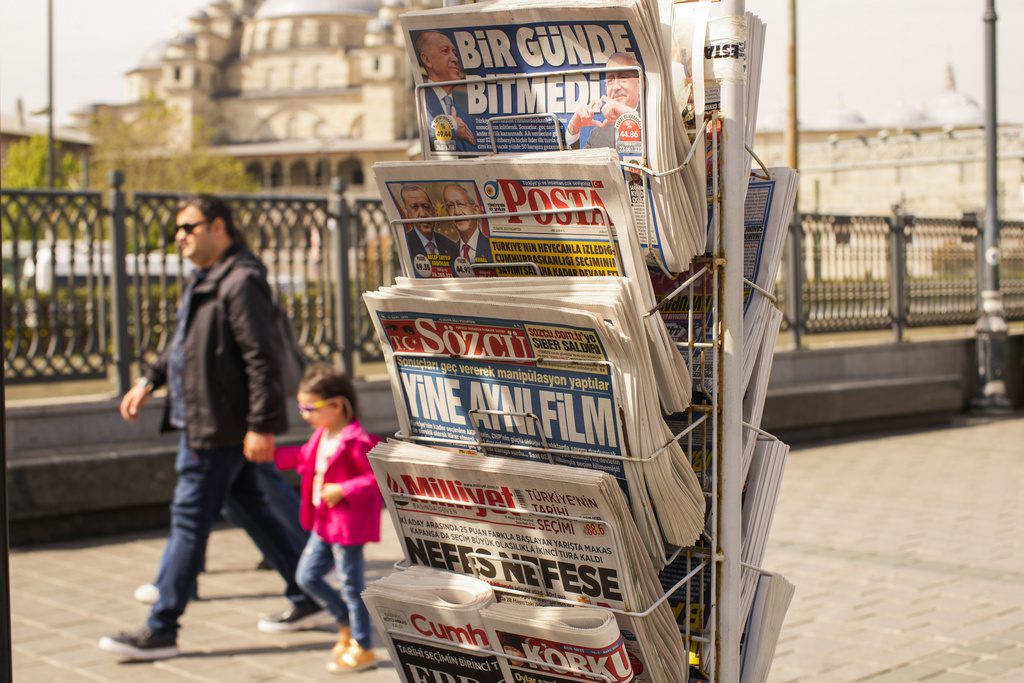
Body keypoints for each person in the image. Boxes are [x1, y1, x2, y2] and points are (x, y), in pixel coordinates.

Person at [99, 195, 323, 661]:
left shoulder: (241, 281)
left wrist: (261, 425)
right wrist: (149, 379)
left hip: (218, 426)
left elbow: (262, 360)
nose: (179, 236)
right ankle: (308, 594)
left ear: (218, 226)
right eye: (177, 229)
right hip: (205, 421)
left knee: (188, 519)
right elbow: (182, 343)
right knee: (253, 511)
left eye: (188, 227)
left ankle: (161, 628)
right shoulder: (205, 278)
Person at [275, 364, 383, 674]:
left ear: (337, 405)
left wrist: (344, 489)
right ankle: (346, 624)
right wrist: (273, 455)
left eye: (311, 407)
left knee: (351, 585)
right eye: (301, 407)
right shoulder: (322, 435)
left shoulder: (357, 440)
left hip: (347, 526)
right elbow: (304, 459)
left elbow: (375, 476)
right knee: (307, 577)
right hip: (323, 522)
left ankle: (363, 648)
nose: (304, 414)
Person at [565, 52, 643, 150]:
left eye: (623, 77)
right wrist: (573, 129)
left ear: (640, 84)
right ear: (606, 88)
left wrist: (629, 116)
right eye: (610, 80)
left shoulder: (656, 120)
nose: (615, 87)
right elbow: (578, 165)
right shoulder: (598, 135)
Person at [414, 30, 476, 151]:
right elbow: (428, 132)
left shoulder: (464, 111)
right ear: (427, 60)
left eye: (455, 53)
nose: (455, 59)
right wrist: (452, 125)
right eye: (445, 51)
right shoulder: (420, 99)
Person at [400, 184, 458, 260]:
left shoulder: (451, 246)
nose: (423, 214)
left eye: (426, 206)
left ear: (434, 212)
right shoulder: (404, 244)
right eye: (415, 207)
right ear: (408, 215)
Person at [442, 183, 492, 264]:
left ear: (476, 210)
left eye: (461, 204)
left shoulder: (492, 248)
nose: (457, 212)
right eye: (451, 206)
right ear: (447, 213)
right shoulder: (447, 252)